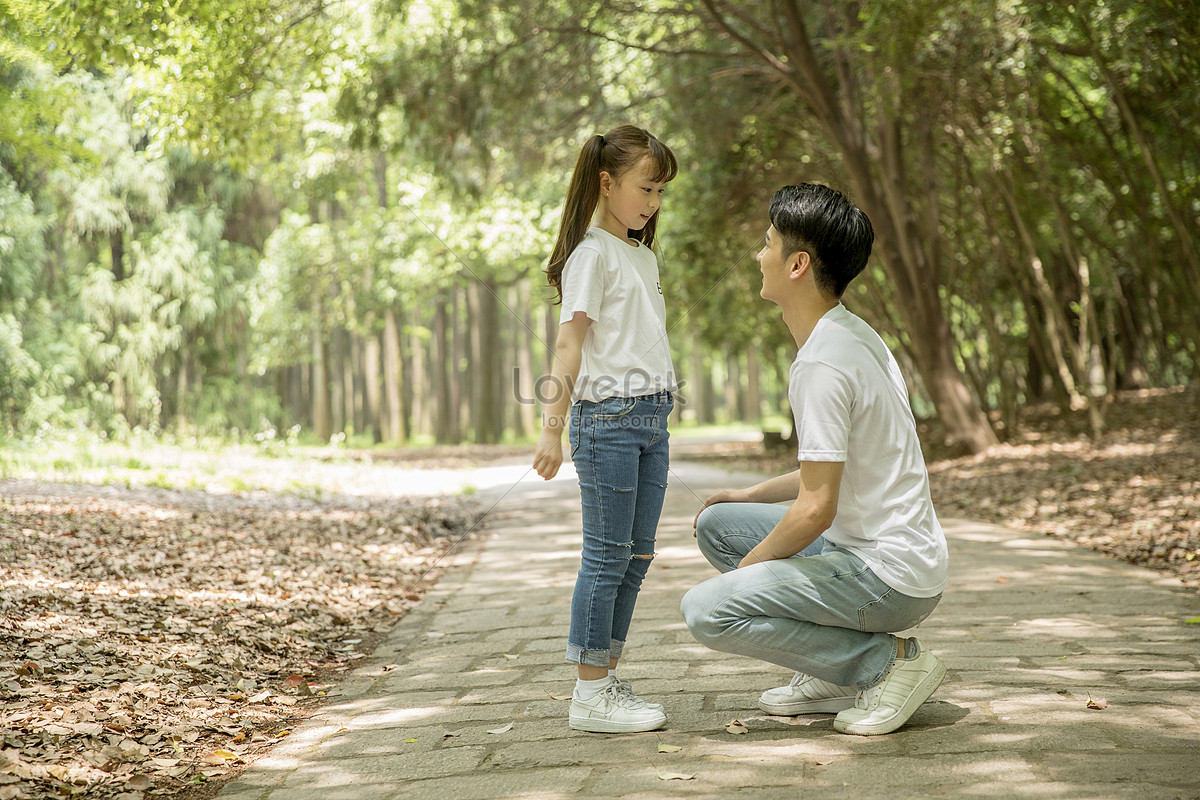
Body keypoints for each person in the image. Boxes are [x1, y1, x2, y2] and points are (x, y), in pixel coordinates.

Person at [680, 183, 949, 736]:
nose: (760, 254)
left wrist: (750, 583)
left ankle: (887, 666)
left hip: (888, 577)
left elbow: (816, 510)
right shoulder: (851, 335)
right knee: (718, 525)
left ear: (798, 264)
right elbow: (833, 470)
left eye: (769, 242)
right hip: (886, 554)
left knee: (707, 610)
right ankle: (829, 671)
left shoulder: (822, 365)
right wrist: (750, 495)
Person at [532, 125, 678, 733]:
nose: (653, 202)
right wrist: (551, 428)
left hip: (651, 420)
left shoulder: (640, 254)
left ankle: (605, 679)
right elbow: (570, 342)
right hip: (608, 424)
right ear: (607, 181)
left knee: (637, 556)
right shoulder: (591, 254)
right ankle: (589, 692)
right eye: (646, 187)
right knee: (605, 558)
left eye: (661, 191)